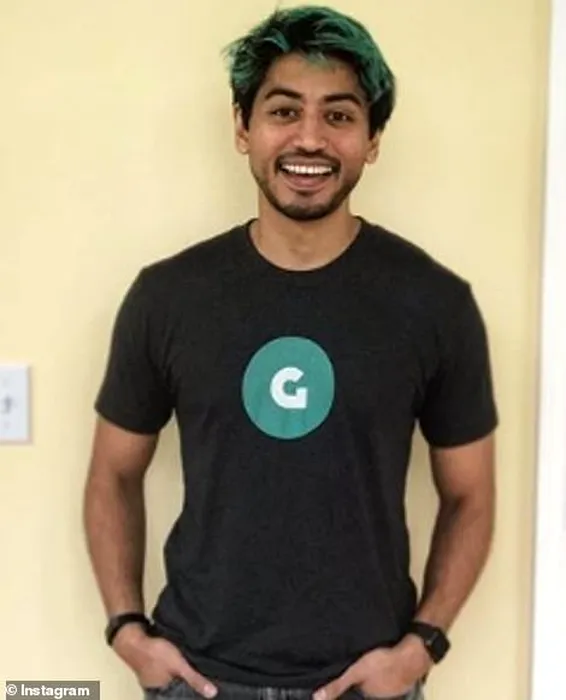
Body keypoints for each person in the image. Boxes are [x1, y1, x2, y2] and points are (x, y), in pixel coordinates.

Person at [83, 6, 498, 700]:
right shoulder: (168, 297)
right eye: (283, 111)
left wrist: (420, 649)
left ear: (372, 139)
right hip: (198, 679)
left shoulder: (435, 303)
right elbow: (112, 475)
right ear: (242, 128)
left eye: (339, 115)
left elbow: (471, 495)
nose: (309, 137)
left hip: (365, 683)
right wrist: (127, 631)